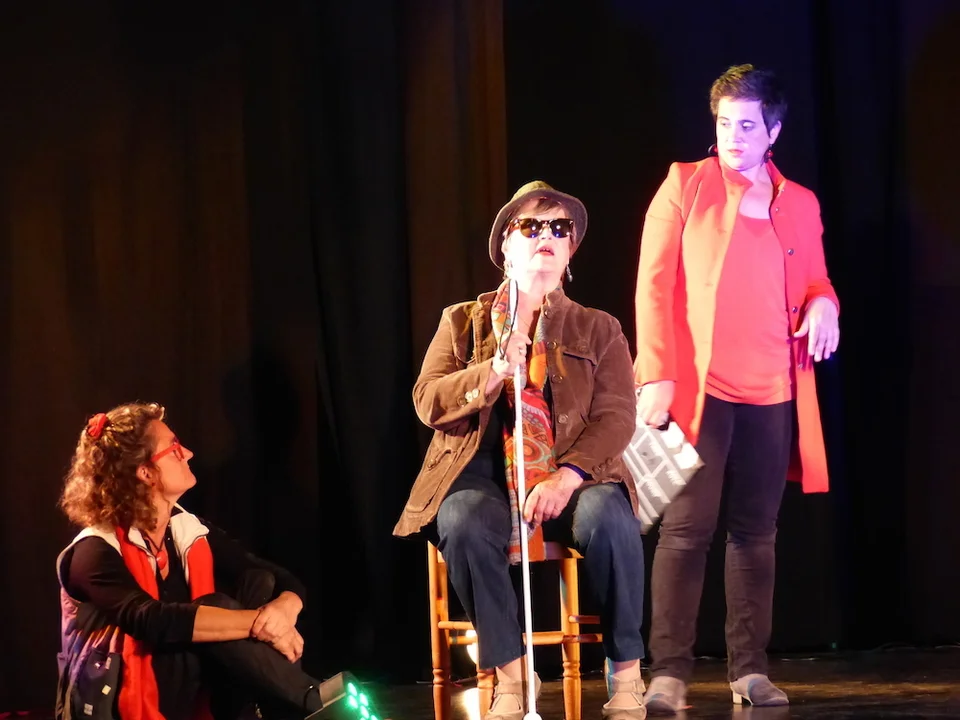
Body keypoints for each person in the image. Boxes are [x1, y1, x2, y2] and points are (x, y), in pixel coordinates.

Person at [394, 181, 647, 720]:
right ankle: (512, 674)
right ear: (504, 246)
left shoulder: (599, 327)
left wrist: (567, 476)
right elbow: (427, 400)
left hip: (573, 472)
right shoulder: (461, 321)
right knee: (461, 518)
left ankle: (626, 673)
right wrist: (491, 373)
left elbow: (617, 417)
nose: (545, 236)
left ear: (571, 249)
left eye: (559, 228)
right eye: (530, 226)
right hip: (481, 470)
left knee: (609, 516)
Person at [633, 64, 840, 712]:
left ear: (773, 131)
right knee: (685, 532)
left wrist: (826, 303)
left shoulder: (800, 203)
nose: (733, 136)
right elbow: (652, 285)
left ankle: (749, 670)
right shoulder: (684, 185)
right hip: (702, 392)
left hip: (773, 389)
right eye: (725, 123)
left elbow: (817, 280)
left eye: (747, 125)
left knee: (756, 534)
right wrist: (656, 374)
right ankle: (668, 673)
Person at [56, 402, 326, 720]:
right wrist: (260, 626)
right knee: (215, 608)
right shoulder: (94, 550)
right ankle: (315, 702)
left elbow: (277, 577)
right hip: (117, 705)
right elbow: (148, 620)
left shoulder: (185, 528)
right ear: (145, 473)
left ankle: (292, 705)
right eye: (174, 449)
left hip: (182, 688)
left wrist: (283, 610)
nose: (188, 453)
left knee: (258, 581)